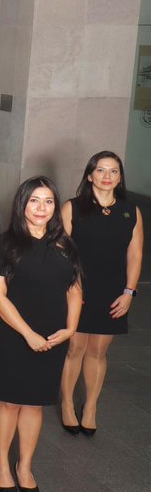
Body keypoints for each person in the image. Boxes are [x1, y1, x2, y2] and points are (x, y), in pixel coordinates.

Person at [0, 177, 82, 492]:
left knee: (35, 404)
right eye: (34, 201)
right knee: (11, 400)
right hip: (12, 333)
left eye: (49, 201)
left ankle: (24, 465)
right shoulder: (4, 244)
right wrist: (28, 334)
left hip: (53, 335)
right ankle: (2, 463)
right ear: (22, 204)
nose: (41, 208)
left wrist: (69, 329)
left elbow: (74, 289)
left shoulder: (65, 245)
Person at [61, 151, 143, 435]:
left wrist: (129, 292)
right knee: (75, 348)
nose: (107, 177)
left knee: (98, 351)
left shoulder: (130, 210)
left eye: (114, 171)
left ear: (120, 177)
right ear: (89, 175)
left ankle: (91, 406)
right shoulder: (73, 208)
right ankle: (68, 404)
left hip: (113, 289)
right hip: (79, 287)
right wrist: (71, 288)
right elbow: (61, 251)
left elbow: (135, 254)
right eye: (101, 170)